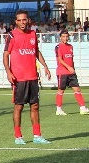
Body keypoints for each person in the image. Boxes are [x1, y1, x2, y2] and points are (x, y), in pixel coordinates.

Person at [3, 9, 53, 145]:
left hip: (32, 77)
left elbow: (36, 51)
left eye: (24, 19)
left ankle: (37, 135)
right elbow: (6, 54)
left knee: (35, 106)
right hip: (19, 78)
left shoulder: (32, 34)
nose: (22, 22)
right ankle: (18, 136)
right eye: (19, 20)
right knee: (19, 106)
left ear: (28, 20)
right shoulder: (12, 36)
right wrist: (8, 71)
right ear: (16, 22)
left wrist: (45, 66)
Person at [54, 30, 89, 116]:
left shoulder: (70, 46)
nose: (65, 38)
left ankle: (83, 108)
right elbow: (60, 60)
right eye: (63, 37)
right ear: (60, 37)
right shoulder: (58, 47)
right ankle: (59, 109)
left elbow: (71, 60)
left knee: (77, 89)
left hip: (71, 72)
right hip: (62, 72)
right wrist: (68, 67)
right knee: (61, 90)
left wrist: (73, 68)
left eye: (67, 37)